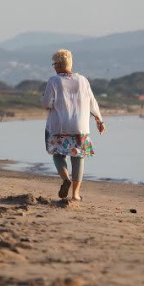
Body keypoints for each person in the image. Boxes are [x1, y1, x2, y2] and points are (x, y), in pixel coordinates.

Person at [42, 49, 105, 201]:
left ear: (58, 65)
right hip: (80, 126)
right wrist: (99, 120)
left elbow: (47, 104)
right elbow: (92, 102)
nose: (53, 67)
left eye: (53, 64)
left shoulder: (54, 81)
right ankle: (75, 194)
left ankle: (65, 179)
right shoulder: (83, 80)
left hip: (59, 126)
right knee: (78, 158)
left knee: (57, 153)